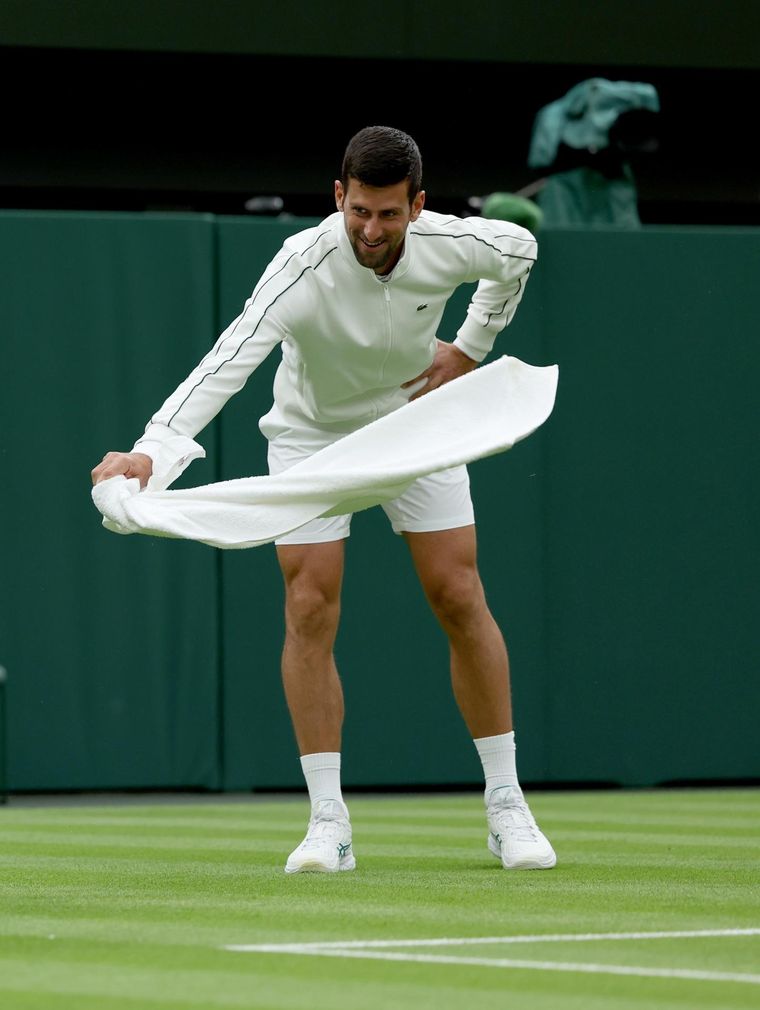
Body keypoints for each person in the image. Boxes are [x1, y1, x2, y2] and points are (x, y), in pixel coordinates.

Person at [91, 125, 556, 874]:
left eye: (390, 214)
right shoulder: (300, 265)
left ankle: (508, 807)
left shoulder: (456, 243)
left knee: (458, 592)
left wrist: (470, 346)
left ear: (419, 207)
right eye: (359, 211)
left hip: (416, 427)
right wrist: (153, 451)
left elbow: (520, 253)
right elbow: (227, 361)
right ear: (339, 196)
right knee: (309, 602)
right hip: (312, 439)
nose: (372, 230)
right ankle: (327, 823)